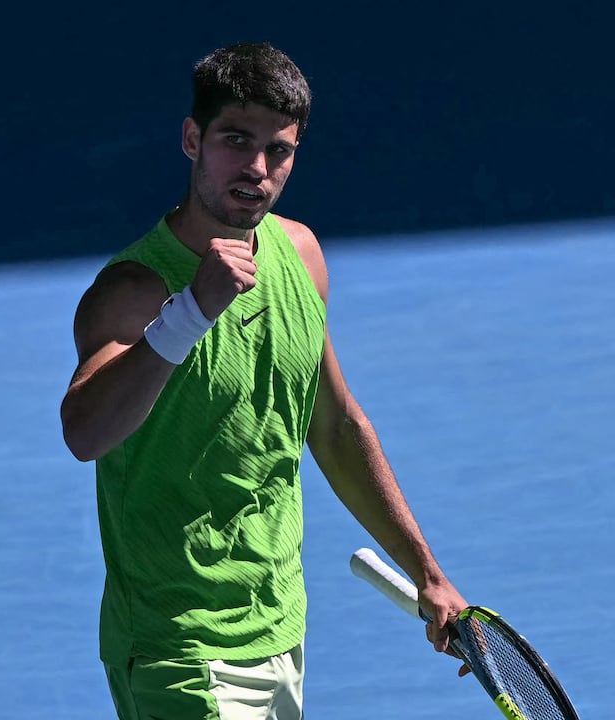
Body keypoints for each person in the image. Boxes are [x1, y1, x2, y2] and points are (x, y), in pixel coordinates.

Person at [60, 41, 468, 720]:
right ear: (193, 139)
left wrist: (427, 572)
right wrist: (188, 314)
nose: (255, 168)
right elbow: (85, 433)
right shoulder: (134, 290)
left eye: (277, 150)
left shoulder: (301, 255)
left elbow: (335, 427)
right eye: (234, 140)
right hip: (178, 647)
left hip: (279, 627)